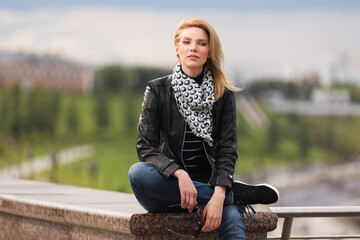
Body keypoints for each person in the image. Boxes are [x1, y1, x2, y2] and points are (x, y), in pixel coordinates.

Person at [128, 17, 279, 240]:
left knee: (234, 225)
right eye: (187, 42)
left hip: (211, 184)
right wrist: (179, 174)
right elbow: (145, 147)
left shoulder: (224, 95)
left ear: (209, 51)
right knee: (137, 173)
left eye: (202, 43)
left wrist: (218, 195)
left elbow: (227, 151)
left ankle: (224, 197)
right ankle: (234, 195)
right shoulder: (158, 90)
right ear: (177, 48)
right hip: (169, 187)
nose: (193, 48)